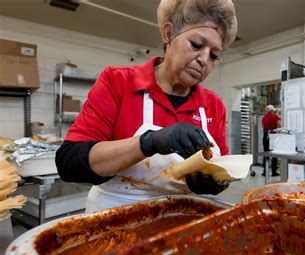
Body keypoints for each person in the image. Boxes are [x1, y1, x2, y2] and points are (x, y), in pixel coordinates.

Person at [55, 0, 238, 213]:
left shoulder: (213, 105)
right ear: (169, 34)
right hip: (114, 220)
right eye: (196, 44)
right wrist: (149, 143)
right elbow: (69, 163)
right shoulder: (118, 82)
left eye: (214, 55)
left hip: (181, 221)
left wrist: (215, 182)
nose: (204, 60)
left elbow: (224, 168)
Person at [261, 104, 280, 176]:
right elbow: (279, 124)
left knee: (266, 153)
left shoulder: (264, 118)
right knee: (274, 154)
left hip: (265, 136)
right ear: (272, 110)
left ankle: (265, 171)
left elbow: (263, 126)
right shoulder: (275, 116)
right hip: (273, 136)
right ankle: (273, 171)